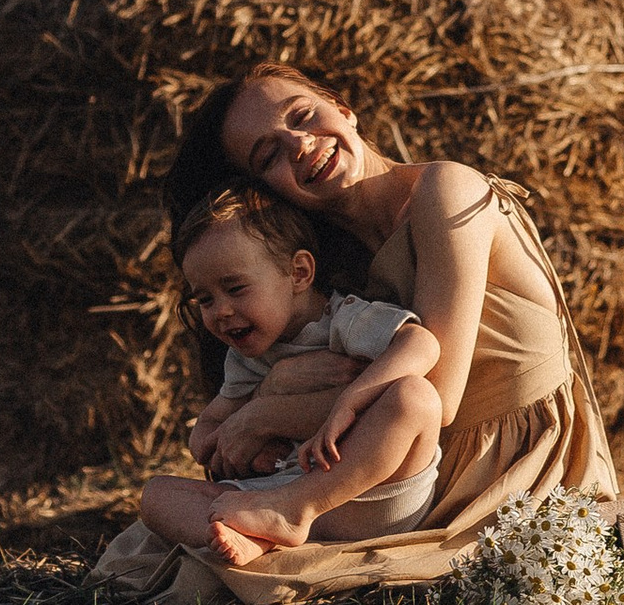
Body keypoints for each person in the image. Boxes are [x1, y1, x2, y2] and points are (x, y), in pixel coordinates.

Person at [110, 60, 616, 605]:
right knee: (171, 520)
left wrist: (261, 414)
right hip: (390, 468)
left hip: (504, 468)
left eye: (303, 116)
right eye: (270, 155)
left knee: (233, 579)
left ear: (345, 109)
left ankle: (290, 517)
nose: (299, 145)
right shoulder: (326, 269)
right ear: (267, 190)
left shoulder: (447, 189)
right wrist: (270, 397)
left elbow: (439, 397)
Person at [135, 184, 443, 565]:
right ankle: (256, 534)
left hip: (366, 497)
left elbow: (423, 344)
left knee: (416, 398)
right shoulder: (245, 357)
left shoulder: (343, 320)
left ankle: (293, 512)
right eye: (205, 299)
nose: (221, 311)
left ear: (298, 273)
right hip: (275, 492)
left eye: (235, 288)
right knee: (156, 496)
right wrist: (235, 427)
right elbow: (206, 438)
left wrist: (352, 399)